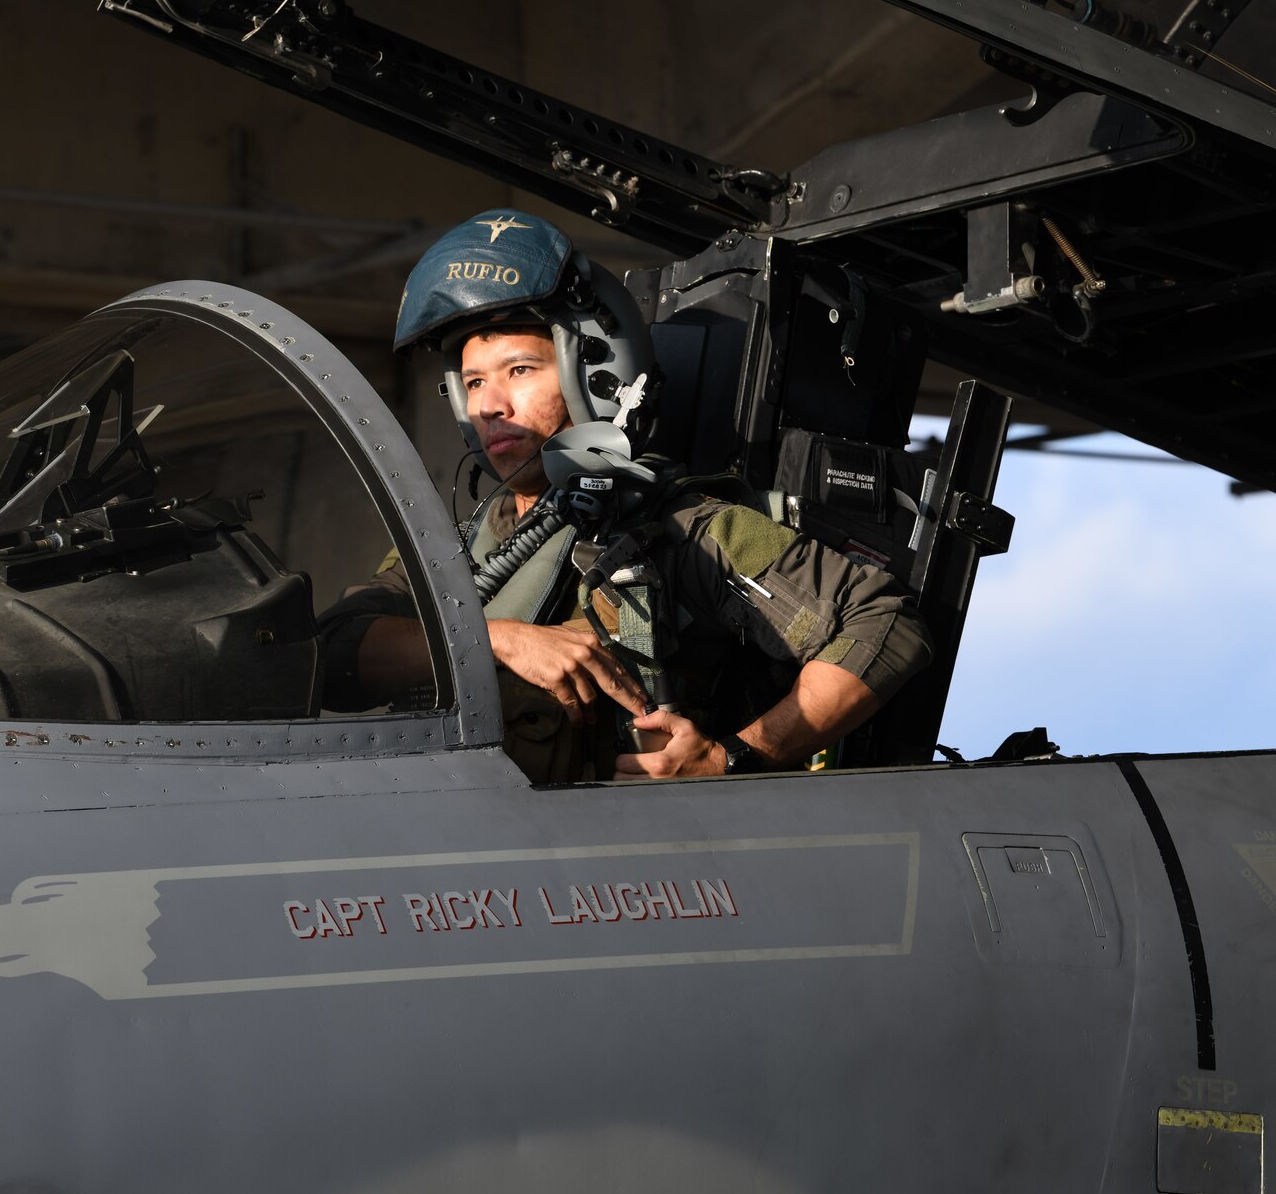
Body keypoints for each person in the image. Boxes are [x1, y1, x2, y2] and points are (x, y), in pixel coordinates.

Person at [318, 209, 930, 780]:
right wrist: (502, 640)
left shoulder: (677, 525)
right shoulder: (455, 544)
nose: (489, 404)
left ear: (596, 376)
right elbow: (328, 654)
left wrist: (731, 758)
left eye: (520, 370)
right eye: (473, 381)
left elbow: (883, 622)